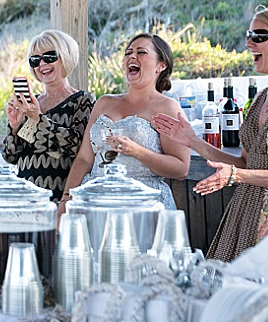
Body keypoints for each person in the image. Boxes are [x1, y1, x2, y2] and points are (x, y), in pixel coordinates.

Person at [153, 5, 268, 261]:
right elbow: (244, 163)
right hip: (245, 213)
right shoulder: (260, 100)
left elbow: (241, 170)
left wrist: (237, 175)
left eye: (259, 36)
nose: (248, 43)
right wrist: (192, 140)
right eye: (249, 35)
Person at [61, 33, 190, 214]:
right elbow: (84, 159)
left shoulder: (168, 107)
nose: (132, 56)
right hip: (93, 202)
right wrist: (66, 200)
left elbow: (181, 168)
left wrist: (137, 151)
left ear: (161, 65)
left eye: (141, 52)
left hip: (142, 206)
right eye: (128, 52)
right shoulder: (104, 102)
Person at [2, 29, 95, 202]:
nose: (42, 63)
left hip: (61, 199)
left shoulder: (82, 100)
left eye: (50, 56)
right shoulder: (31, 103)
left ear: (65, 56)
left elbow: (77, 149)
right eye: (35, 60)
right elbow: (10, 156)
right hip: (26, 200)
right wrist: (14, 127)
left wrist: (38, 119)